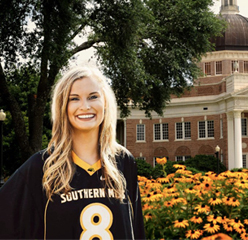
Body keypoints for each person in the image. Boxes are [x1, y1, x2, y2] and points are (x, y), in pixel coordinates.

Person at [0, 66, 145, 239]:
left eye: (93, 97)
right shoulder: (42, 166)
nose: (85, 106)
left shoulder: (123, 161)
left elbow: (136, 231)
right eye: (74, 99)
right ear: (63, 106)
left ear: (105, 102)